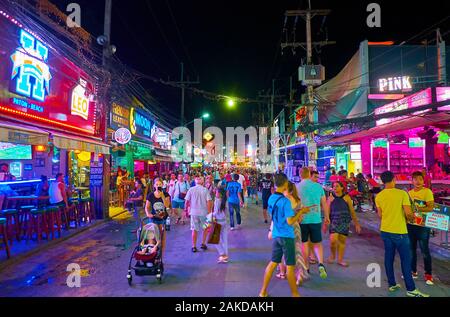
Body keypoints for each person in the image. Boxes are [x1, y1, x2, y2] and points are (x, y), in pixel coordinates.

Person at [375, 171, 429, 297]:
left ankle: (392, 284)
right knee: (406, 260)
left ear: (382, 181)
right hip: (399, 231)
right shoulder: (402, 194)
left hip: (385, 231)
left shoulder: (379, 196)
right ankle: (411, 289)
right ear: (394, 179)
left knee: (389, 258)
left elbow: (380, 215)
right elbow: (408, 214)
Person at [259, 173, 309, 298]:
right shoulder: (285, 202)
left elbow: (274, 216)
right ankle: (295, 294)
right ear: (285, 183)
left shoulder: (271, 198)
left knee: (273, 263)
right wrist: (301, 212)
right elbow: (290, 221)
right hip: (287, 236)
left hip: (277, 235)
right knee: (290, 268)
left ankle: (263, 292)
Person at [296, 167, 330, 279]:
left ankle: (306, 266)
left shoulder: (296, 187)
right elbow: (324, 203)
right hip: (316, 219)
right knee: (317, 243)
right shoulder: (318, 186)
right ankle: (320, 263)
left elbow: (294, 205)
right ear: (309, 174)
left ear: (300, 174)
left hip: (302, 220)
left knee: (305, 244)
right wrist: (327, 217)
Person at [407, 171, 435, 285]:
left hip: (423, 225)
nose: (418, 181)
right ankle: (413, 272)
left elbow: (431, 207)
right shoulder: (409, 193)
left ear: (423, 181)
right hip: (411, 224)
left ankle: (428, 275)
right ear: (412, 181)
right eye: (415, 179)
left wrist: (416, 209)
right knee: (411, 250)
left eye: (420, 179)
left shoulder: (427, 192)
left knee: (425, 250)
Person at [325, 181, 361, 267]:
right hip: (334, 221)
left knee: (342, 241)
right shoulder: (330, 198)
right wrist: (325, 224)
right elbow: (327, 212)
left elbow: (352, 211)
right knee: (333, 241)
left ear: (342, 188)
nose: (335, 188)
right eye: (334, 186)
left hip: (344, 221)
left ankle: (340, 260)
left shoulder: (347, 198)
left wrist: (356, 224)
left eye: (337, 186)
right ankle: (333, 255)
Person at [185, 176, 213, 253]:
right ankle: (203, 243)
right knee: (206, 228)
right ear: (203, 182)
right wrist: (209, 212)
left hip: (193, 213)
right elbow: (209, 201)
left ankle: (194, 246)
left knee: (194, 229)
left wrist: (186, 210)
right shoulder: (205, 190)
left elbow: (186, 201)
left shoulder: (191, 189)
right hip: (204, 213)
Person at [145, 178, 169, 254]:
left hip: (163, 218)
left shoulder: (166, 194)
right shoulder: (151, 195)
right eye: (157, 184)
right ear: (154, 185)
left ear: (162, 185)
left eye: (160, 184)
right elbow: (147, 207)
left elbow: (167, 205)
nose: (158, 186)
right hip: (154, 217)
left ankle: (161, 255)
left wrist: (162, 196)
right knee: (153, 236)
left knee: (162, 237)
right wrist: (148, 213)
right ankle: (153, 252)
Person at [213, 187, 229, 263]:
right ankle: (225, 256)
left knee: (214, 239)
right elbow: (226, 213)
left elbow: (215, 213)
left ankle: (222, 254)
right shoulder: (225, 201)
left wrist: (210, 216)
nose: (215, 193)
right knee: (224, 239)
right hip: (224, 222)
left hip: (218, 222)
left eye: (216, 192)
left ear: (219, 194)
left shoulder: (217, 201)